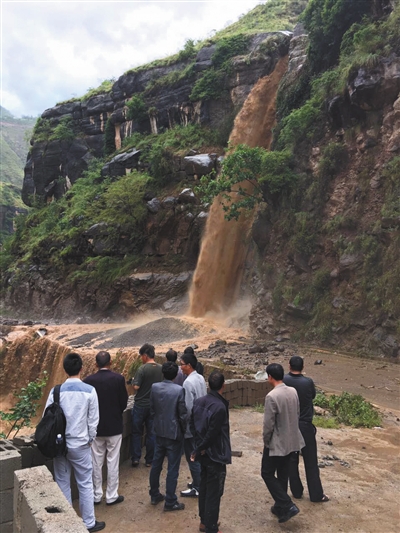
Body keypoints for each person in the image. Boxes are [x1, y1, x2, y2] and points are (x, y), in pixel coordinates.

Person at [44, 352, 105, 532]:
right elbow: (93, 420)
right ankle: (88, 523)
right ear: (81, 368)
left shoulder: (55, 391)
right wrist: (89, 440)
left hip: (60, 446)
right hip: (80, 445)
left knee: (62, 482)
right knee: (85, 483)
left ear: (65, 369)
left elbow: (46, 418)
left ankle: (67, 525)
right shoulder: (89, 391)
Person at [261, 363, 304, 524]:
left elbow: (268, 425)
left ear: (270, 377)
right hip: (292, 441)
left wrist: (266, 442)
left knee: (266, 473)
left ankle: (287, 504)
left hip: (276, 444)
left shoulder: (272, 396)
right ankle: (280, 507)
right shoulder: (293, 391)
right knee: (282, 474)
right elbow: (297, 413)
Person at [84, 350, 128, 506]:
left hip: (95, 429)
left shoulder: (88, 381)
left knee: (96, 462)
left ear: (96, 364)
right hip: (114, 427)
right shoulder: (118, 379)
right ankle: (111, 495)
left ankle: (96, 495)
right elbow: (124, 402)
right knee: (113, 462)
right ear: (110, 363)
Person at [283, 355, 329, 503]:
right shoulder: (307, 382)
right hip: (305, 425)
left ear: (289, 366)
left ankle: (296, 491)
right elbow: (313, 396)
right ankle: (316, 495)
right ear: (302, 368)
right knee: (310, 461)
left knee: (291, 459)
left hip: (289, 425)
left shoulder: (284, 380)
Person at [191, 371, 231, 533]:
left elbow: (192, 426)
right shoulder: (220, 407)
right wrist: (201, 447)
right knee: (214, 491)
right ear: (223, 385)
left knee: (205, 487)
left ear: (209, 385)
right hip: (216, 454)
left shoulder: (199, 402)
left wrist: (198, 447)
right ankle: (211, 527)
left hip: (204, 454)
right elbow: (213, 434)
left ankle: (204, 521)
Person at [149, 361, 187, 512]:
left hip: (159, 431)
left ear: (163, 373)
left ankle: (154, 494)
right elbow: (182, 414)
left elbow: (152, 409)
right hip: (174, 433)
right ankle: (170, 501)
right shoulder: (179, 390)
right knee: (172, 467)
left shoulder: (155, 388)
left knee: (156, 464)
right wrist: (184, 431)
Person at [131, 343, 163, 468]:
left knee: (136, 432)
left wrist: (133, 381)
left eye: (141, 356)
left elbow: (136, 387)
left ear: (145, 356)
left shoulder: (142, 369)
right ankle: (149, 460)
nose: (141, 358)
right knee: (151, 433)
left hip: (140, 405)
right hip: (154, 406)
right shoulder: (161, 369)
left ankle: (135, 458)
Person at [180, 351, 207, 498]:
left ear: (189, 366)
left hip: (192, 426)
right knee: (198, 454)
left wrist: (184, 425)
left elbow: (188, 408)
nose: (180, 367)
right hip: (201, 422)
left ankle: (197, 487)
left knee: (192, 456)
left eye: (182, 365)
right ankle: (199, 481)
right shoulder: (200, 377)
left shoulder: (187, 383)